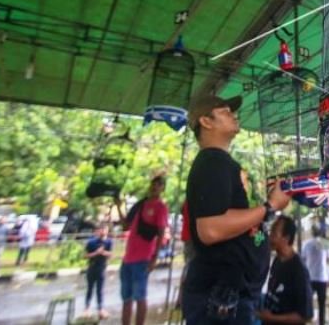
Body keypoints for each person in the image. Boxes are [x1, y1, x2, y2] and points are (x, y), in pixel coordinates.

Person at [181, 93, 291, 325]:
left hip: (233, 295)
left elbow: (235, 221)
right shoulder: (212, 162)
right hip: (221, 298)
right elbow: (210, 229)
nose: (234, 115)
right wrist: (269, 206)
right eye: (225, 111)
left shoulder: (221, 163)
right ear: (206, 121)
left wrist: (269, 207)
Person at [116, 175, 169, 325]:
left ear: (162, 188)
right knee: (126, 297)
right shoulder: (140, 204)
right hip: (128, 258)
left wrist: (154, 258)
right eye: (153, 184)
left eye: (158, 185)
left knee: (140, 296)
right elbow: (125, 225)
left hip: (143, 258)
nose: (154, 187)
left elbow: (160, 233)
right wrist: (119, 207)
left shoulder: (160, 207)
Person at [259, 215, 313, 324]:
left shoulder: (299, 270)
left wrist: (271, 318)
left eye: (274, 233)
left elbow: (305, 315)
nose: (270, 237)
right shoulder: (277, 260)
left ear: (286, 238)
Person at [301, 225, 329, 325]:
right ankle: (321, 322)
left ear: (312, 232)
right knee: (321, 304)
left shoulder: (307, 244)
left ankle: (307, 320)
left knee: (307, 302)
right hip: (322, 277)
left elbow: (303, 259)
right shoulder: (325, 244)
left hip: (310, 277)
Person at [83, 224, 113, 319]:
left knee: (100, 290)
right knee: (90, 288)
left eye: (105, 230)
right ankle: (87, 309)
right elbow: (85, 255)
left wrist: (103, 252)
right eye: (101, 230)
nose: (103, 232)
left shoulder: (109, 242)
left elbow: (110, 254)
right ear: (98, 231)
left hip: (102, 268)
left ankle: (100, 309)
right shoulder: (91, 242)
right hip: (92, 267)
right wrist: (96, 253)